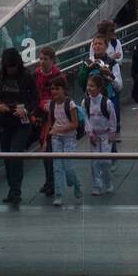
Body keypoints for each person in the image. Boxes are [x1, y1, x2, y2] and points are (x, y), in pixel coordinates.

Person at [0, 48, 38, 205]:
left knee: (15, 154)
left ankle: (16, 190)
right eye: (8, 68)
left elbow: (35, 98)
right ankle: (12, 188)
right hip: (4, 122)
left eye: (13, 68)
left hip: (21, 122)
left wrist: (26, 110)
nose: (11, 71)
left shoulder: (26, 76)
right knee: (7, 157)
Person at [43, 77, 82, 206]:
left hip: (69, 138)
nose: (54, 91)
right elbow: (50, 123)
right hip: (56, 138)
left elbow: (75, 123)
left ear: (64, 90)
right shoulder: (52, 104)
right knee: (57, 167)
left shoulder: (69, 104)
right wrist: (45, 141)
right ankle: (58, 194)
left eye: (57, 89)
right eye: (52, 89)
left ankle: (75, 183)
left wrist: (59, 129)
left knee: (68, 166)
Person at [33, 46, 62, 196]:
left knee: (49, 148)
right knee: (44, 149)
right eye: (41, 58)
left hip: (54, 117)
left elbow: (63, 95)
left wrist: (50, 104)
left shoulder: (58, 76)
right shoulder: (35, 75)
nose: (42, 62)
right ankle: (49, 180)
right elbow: (32, 95)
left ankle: (53, 182)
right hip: (40, 115)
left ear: (52, 60)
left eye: (45, 59)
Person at [83, 72, 117, 195]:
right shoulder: (85, 102)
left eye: (92, 86)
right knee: (95, 161)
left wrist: (112, 133)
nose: (89, 88)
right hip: (94, 136)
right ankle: (97, 185)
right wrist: (90, 134)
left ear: (99, 88)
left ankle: (108, 183)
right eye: (88, 85)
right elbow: (86, 119)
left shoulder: (106, 102)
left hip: (106, 135)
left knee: (106, 161)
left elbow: (113, 118)